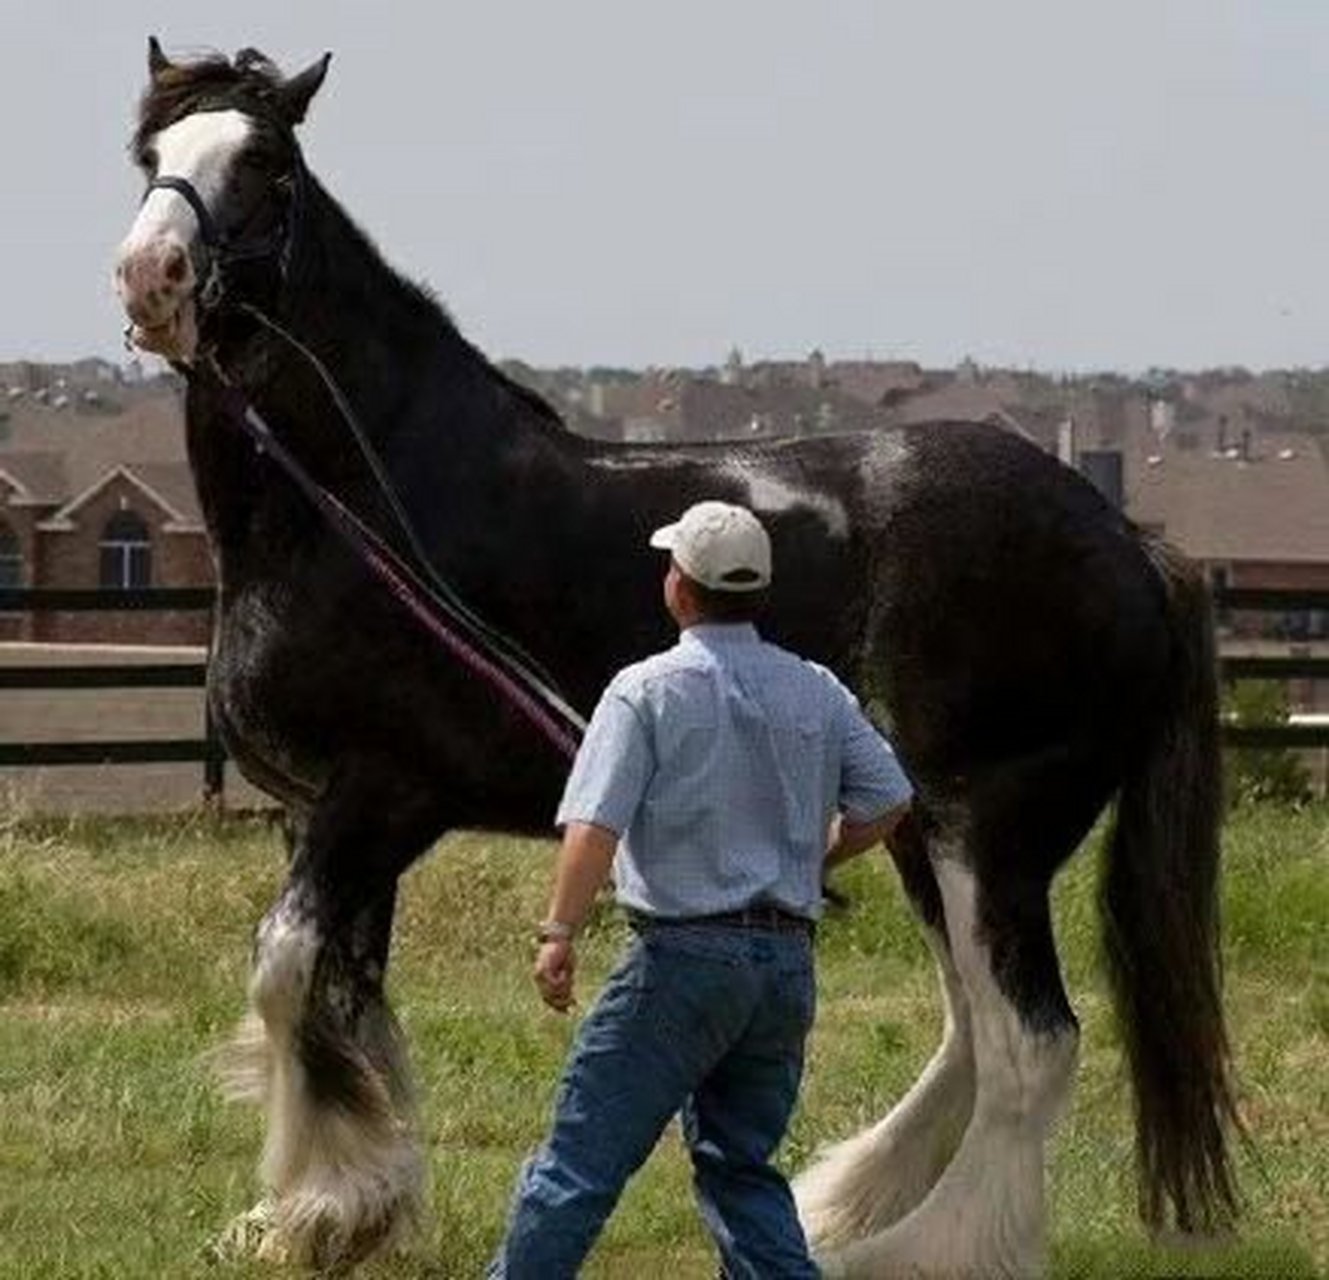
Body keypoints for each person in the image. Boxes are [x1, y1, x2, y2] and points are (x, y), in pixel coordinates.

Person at [487, 499, 913, 1279]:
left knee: (577, 1168)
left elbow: (594, 826)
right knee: (742, 1169)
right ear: (759, 592)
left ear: (678, 587)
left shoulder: (645, 690)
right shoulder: (814, 689)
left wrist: (558, 934)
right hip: (784, 962)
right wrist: (813, 857)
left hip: (681, 961)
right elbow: (887, 798)